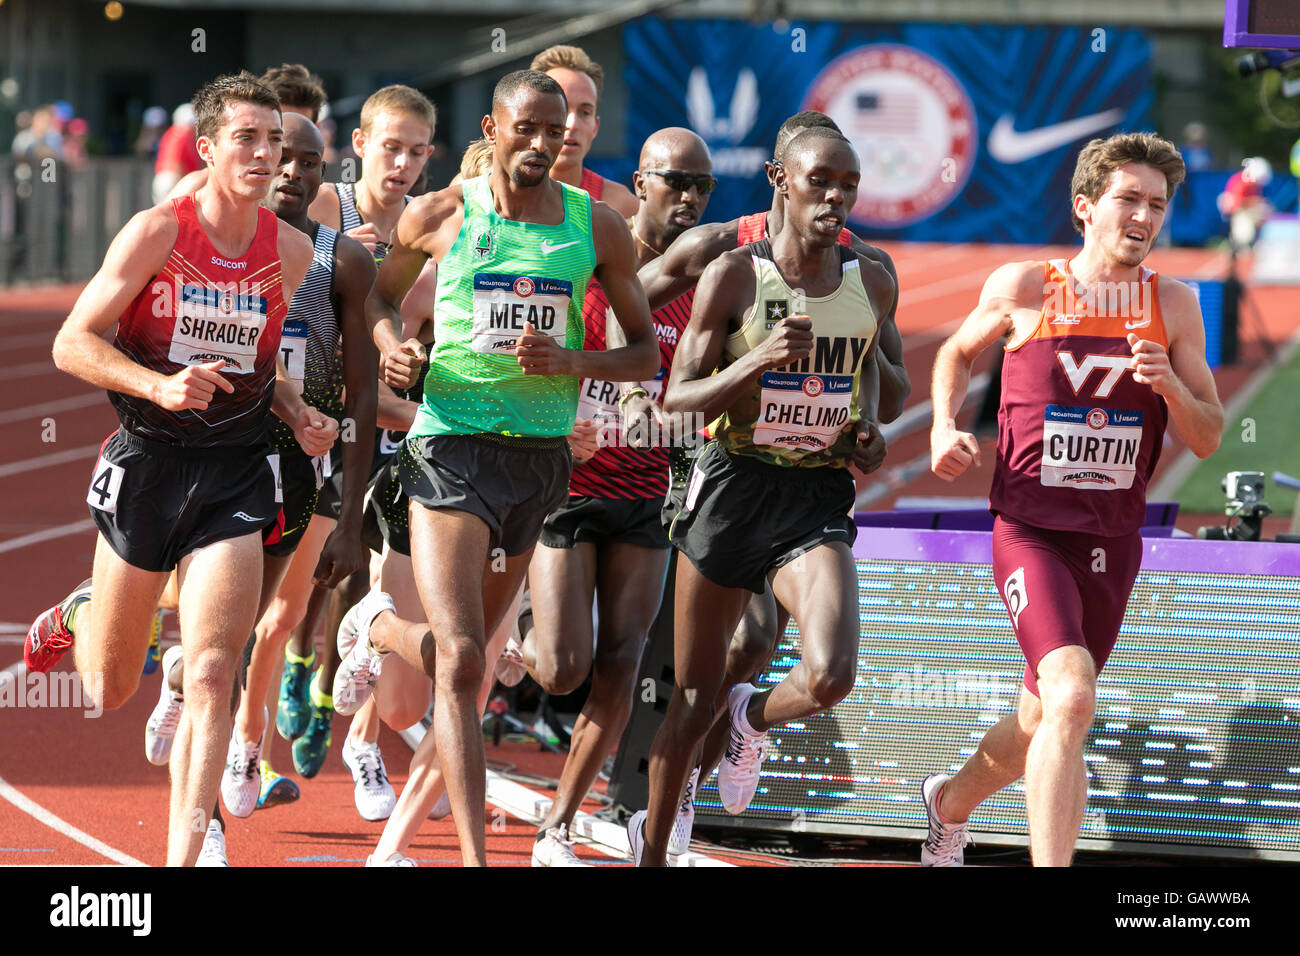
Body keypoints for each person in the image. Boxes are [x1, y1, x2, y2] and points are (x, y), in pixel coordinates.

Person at [331, 68, 659, 866]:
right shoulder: (444, 213)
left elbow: (645, 352)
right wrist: (393, 349)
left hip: (539, 464)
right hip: (448, 448)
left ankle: (370, 626)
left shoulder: (597, 227)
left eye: (558, 131)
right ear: (491, 128)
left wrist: (571, 357)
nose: (545, 144)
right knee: (468, 657)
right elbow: (375, 301)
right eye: (529, 129)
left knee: (466, 668)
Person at [25, 72, 316, 866]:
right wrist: (158, 383)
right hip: (150, 464)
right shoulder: (158, 231)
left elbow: (261, 367)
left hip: (234, 468)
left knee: (218, 667)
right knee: (108, 689)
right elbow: (71, 342)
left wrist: (296, 412)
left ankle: (185, 857)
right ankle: (89, 611)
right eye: (248, 140)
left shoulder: (290, 251)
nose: (265, 156)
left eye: (275, 142)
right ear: (210, 148)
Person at [924, 132, 1223, 867]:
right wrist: (941, 425)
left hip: (1113, 542)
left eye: (1157, 204)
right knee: (1074, 694)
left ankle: (948, 805)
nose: (1143, 216)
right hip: (1030, 529)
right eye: (1128, 198)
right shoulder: (1027, 288)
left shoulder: (1174, 306)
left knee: (1043, 713)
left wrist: (1172, 387)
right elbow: (957, 353)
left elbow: (1210, 435)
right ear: (1086, 207)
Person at [627, 127, 893, 866]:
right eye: (820, 181)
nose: (836, 197)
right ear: (780, 178)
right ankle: (651, 849)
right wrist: (761, 363)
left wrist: (867, 429)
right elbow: (678, 397)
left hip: (814, 496)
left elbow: (870, 365)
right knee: (689, 700)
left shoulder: (871, 278)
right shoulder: (736, 275)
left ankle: (753, 717)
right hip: (731, 488)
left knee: (832, 674)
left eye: (849, 183)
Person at [526, 127, 714, 866]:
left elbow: (703, 399)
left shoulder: (707, 286)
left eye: (702, 186)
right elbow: (533, 354)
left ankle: (556, 827)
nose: (690, 198)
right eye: (675, 182)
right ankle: (521, 636)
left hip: (644, 492)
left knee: (622, 663)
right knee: (563, 666)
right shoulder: (592, 261)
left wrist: (673, 419)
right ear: (641, 182)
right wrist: (564, 410)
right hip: (569, 488)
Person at [213, 113, 378, 818]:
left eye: (309, 162)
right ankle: (209, 805)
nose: (292, 172)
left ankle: (247, 742)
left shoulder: (342, 259)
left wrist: (349, 517)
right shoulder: (217, 245)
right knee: (220, 628)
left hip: (301, 466)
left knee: (278, 619)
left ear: (323, 173)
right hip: (217, 456)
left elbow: (365, 393)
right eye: (282, 155)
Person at [530, 45, 638, 217]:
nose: (572, 124)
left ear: (595, 127)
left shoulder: (621, 206)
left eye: (585, 112)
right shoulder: (491, 197)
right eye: (561, 108)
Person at [152, 103, 202, 204]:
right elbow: (176, 162)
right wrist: (184, 184)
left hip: (163, 178)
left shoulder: (170, 133)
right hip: (173, 179)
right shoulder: (183, 136)